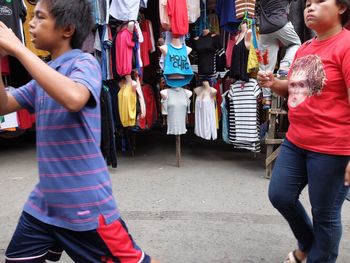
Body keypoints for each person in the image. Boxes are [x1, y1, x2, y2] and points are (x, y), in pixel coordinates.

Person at [0, 1, 158, 262]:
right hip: (45, 204)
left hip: (85, 204)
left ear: (67, 29)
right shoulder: (45, 73)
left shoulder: (85, 63)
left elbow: (74, 97)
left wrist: (17, 49)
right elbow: (4, 104)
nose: (30, 23)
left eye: (40, 17)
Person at [258, 0, 350, 262]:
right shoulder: (305, 47)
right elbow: (295, 89)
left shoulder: (346, 45)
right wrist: (275, 82)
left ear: (342, 7)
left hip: (332, 147)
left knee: (325, 215)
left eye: (320, 2)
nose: (310, 7)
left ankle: (318, 256)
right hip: (297, 141)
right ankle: (308, 244)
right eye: (308, 3)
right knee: (280, 195)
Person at [258, 0, 301, 108]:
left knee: (266, 63)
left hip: (264, 29)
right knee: (295, 44)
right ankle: (285, 64)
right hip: (280, 24)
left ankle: (266, 98)